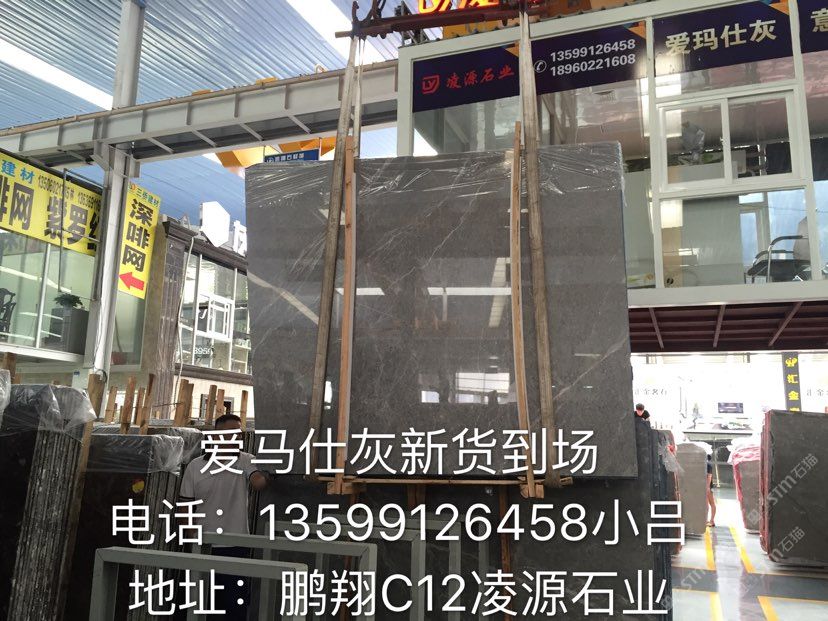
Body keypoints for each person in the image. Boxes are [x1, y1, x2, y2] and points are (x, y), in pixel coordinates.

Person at [180, 413, 268, 620]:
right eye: (231, 434)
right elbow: (185, 508)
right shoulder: (195, 466)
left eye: (239, 434)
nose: (236, 438)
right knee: (202, 604)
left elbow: (257, 482)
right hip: (203, 545)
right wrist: (191, 542)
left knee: (234, 605)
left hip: (236, 545)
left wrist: (271, 472)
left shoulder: (246, 460)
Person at [706, 452, 717, 528]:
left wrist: (707, 487)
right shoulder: (706, 465)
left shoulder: (708, 465)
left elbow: (709, 476)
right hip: (706, 487)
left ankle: (712, 521)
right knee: (707, 504)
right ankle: (707, 520)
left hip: (708, 487)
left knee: (711, 503)